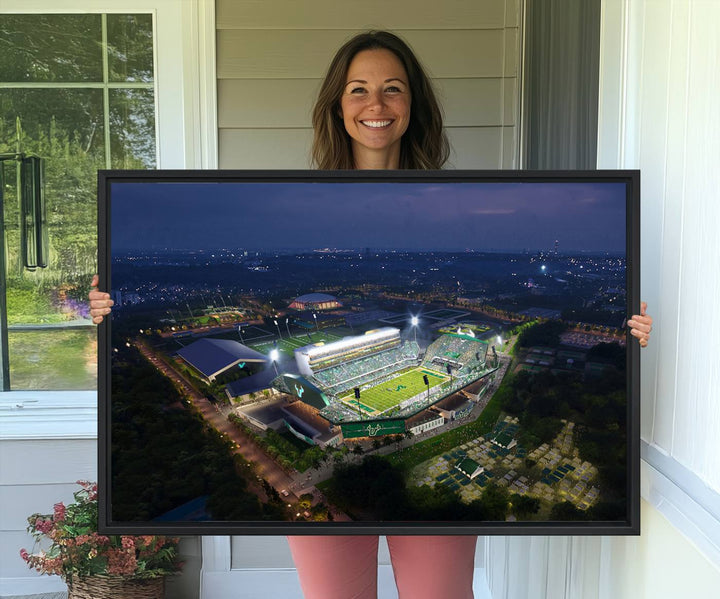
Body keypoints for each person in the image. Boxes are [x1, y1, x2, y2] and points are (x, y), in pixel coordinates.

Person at [89, 30, 653, 599]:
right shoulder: (298, 206)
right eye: (358, 89)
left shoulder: (452, 201)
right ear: (338, 104)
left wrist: (627, 335)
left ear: (413, 105)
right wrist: (108, 308)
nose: (376, 105)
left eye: (393, 89)